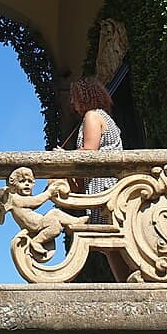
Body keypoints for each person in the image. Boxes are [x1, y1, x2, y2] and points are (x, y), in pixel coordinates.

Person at [67, 75, 129, 280]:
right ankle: (127, 283)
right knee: (111, 243)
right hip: (108, 184)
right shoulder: (104, 117)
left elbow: (89, 152)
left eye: (74, 97)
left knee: (110, 240)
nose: (72, 102)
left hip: (103, 186)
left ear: (83, 96)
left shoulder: (92, 116)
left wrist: (63, 155)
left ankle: (127, 283)